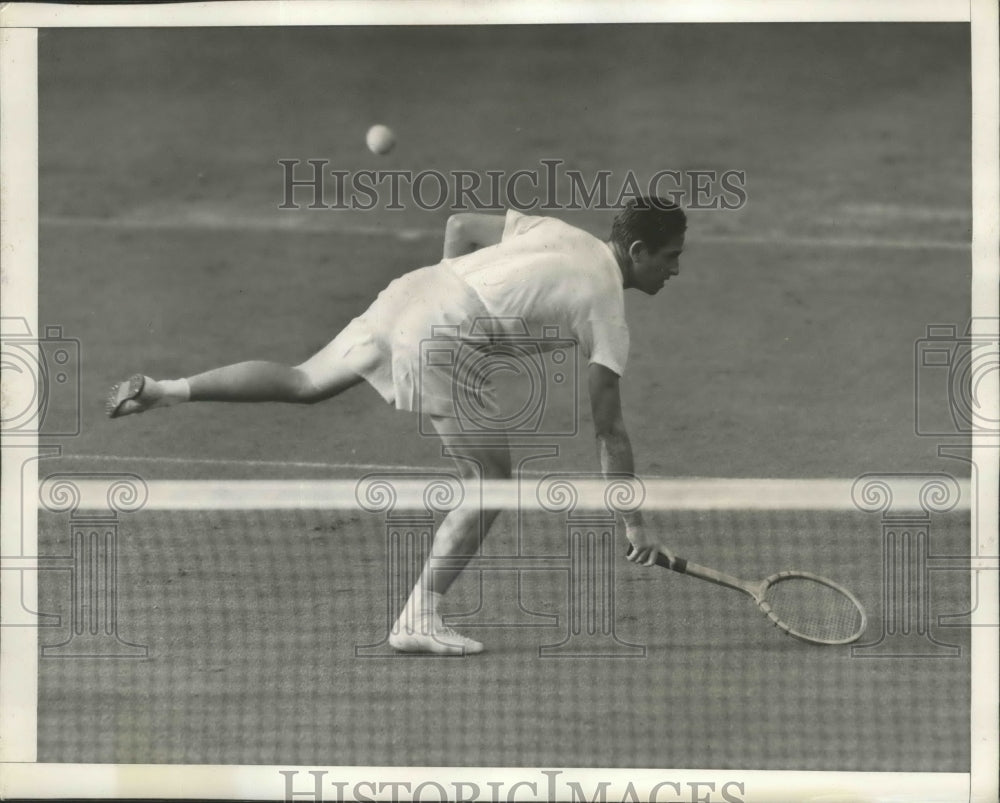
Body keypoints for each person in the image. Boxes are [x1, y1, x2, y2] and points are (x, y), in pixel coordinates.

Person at [107, 196, 686, 655]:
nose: (676, 270)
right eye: (670, 257)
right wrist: (634, 526)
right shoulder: (608, 307)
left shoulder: (562, 233)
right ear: (637, 250)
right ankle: (419, 617)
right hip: (442, 335)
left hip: (409, 292)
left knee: (304, 382)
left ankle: (165, 391)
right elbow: (608, 429)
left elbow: (461, 224)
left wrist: (448, 291)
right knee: (491, 483)